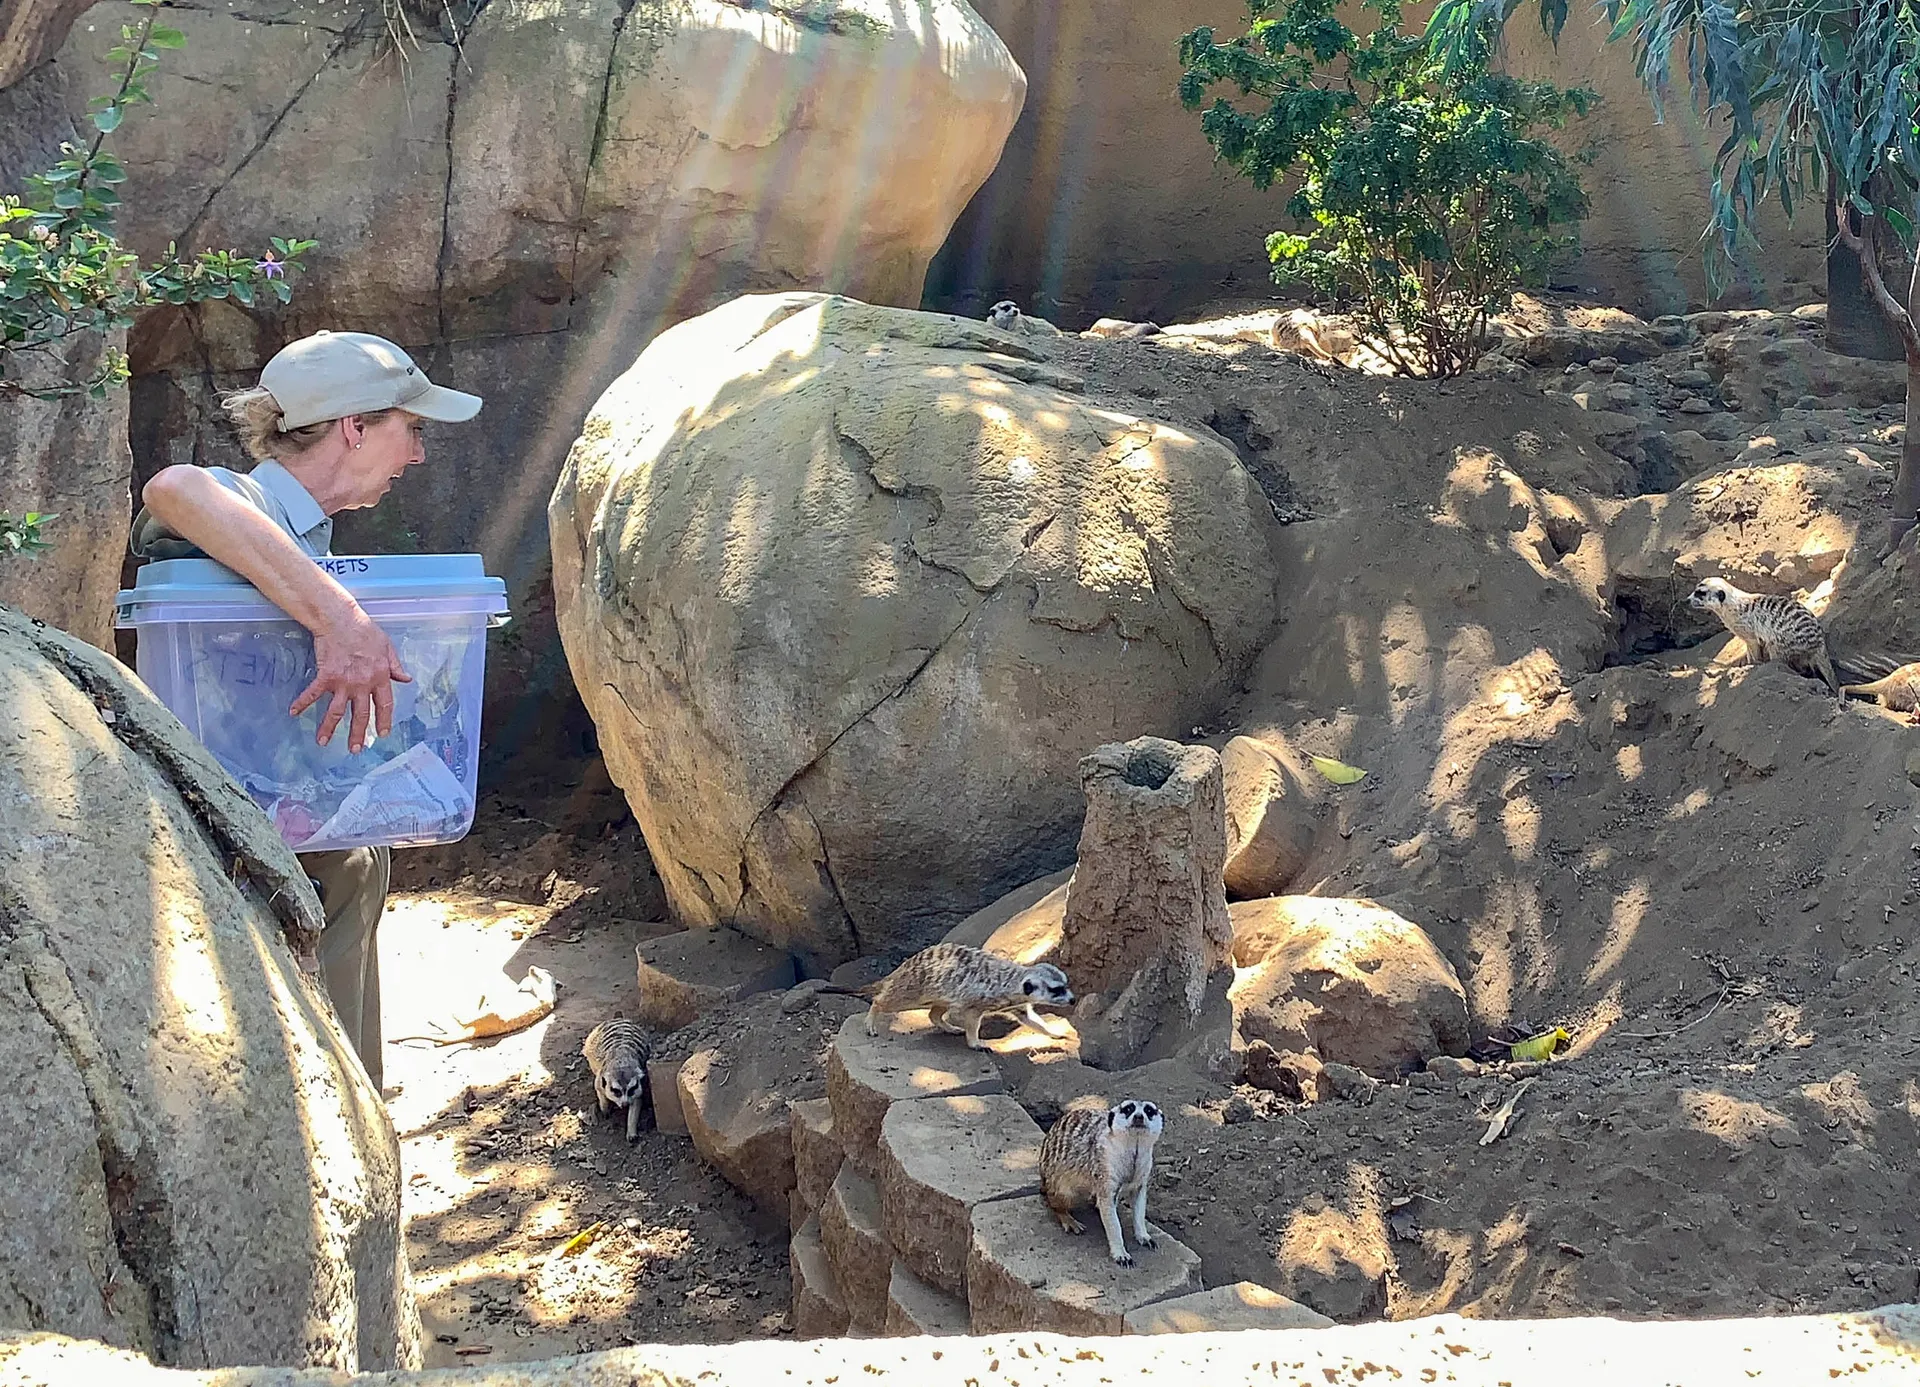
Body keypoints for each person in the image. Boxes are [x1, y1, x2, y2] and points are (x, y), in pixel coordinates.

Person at [130, 329, 483, 1090]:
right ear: (354, 425)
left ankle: (354, 1110)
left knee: (359, 856)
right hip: (201, 833)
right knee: (349, 863)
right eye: (410, 429)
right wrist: (340, 618)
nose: (417, 455)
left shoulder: (309, 540)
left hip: (271, 819)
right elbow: (174, 489)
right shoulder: (248, 500)